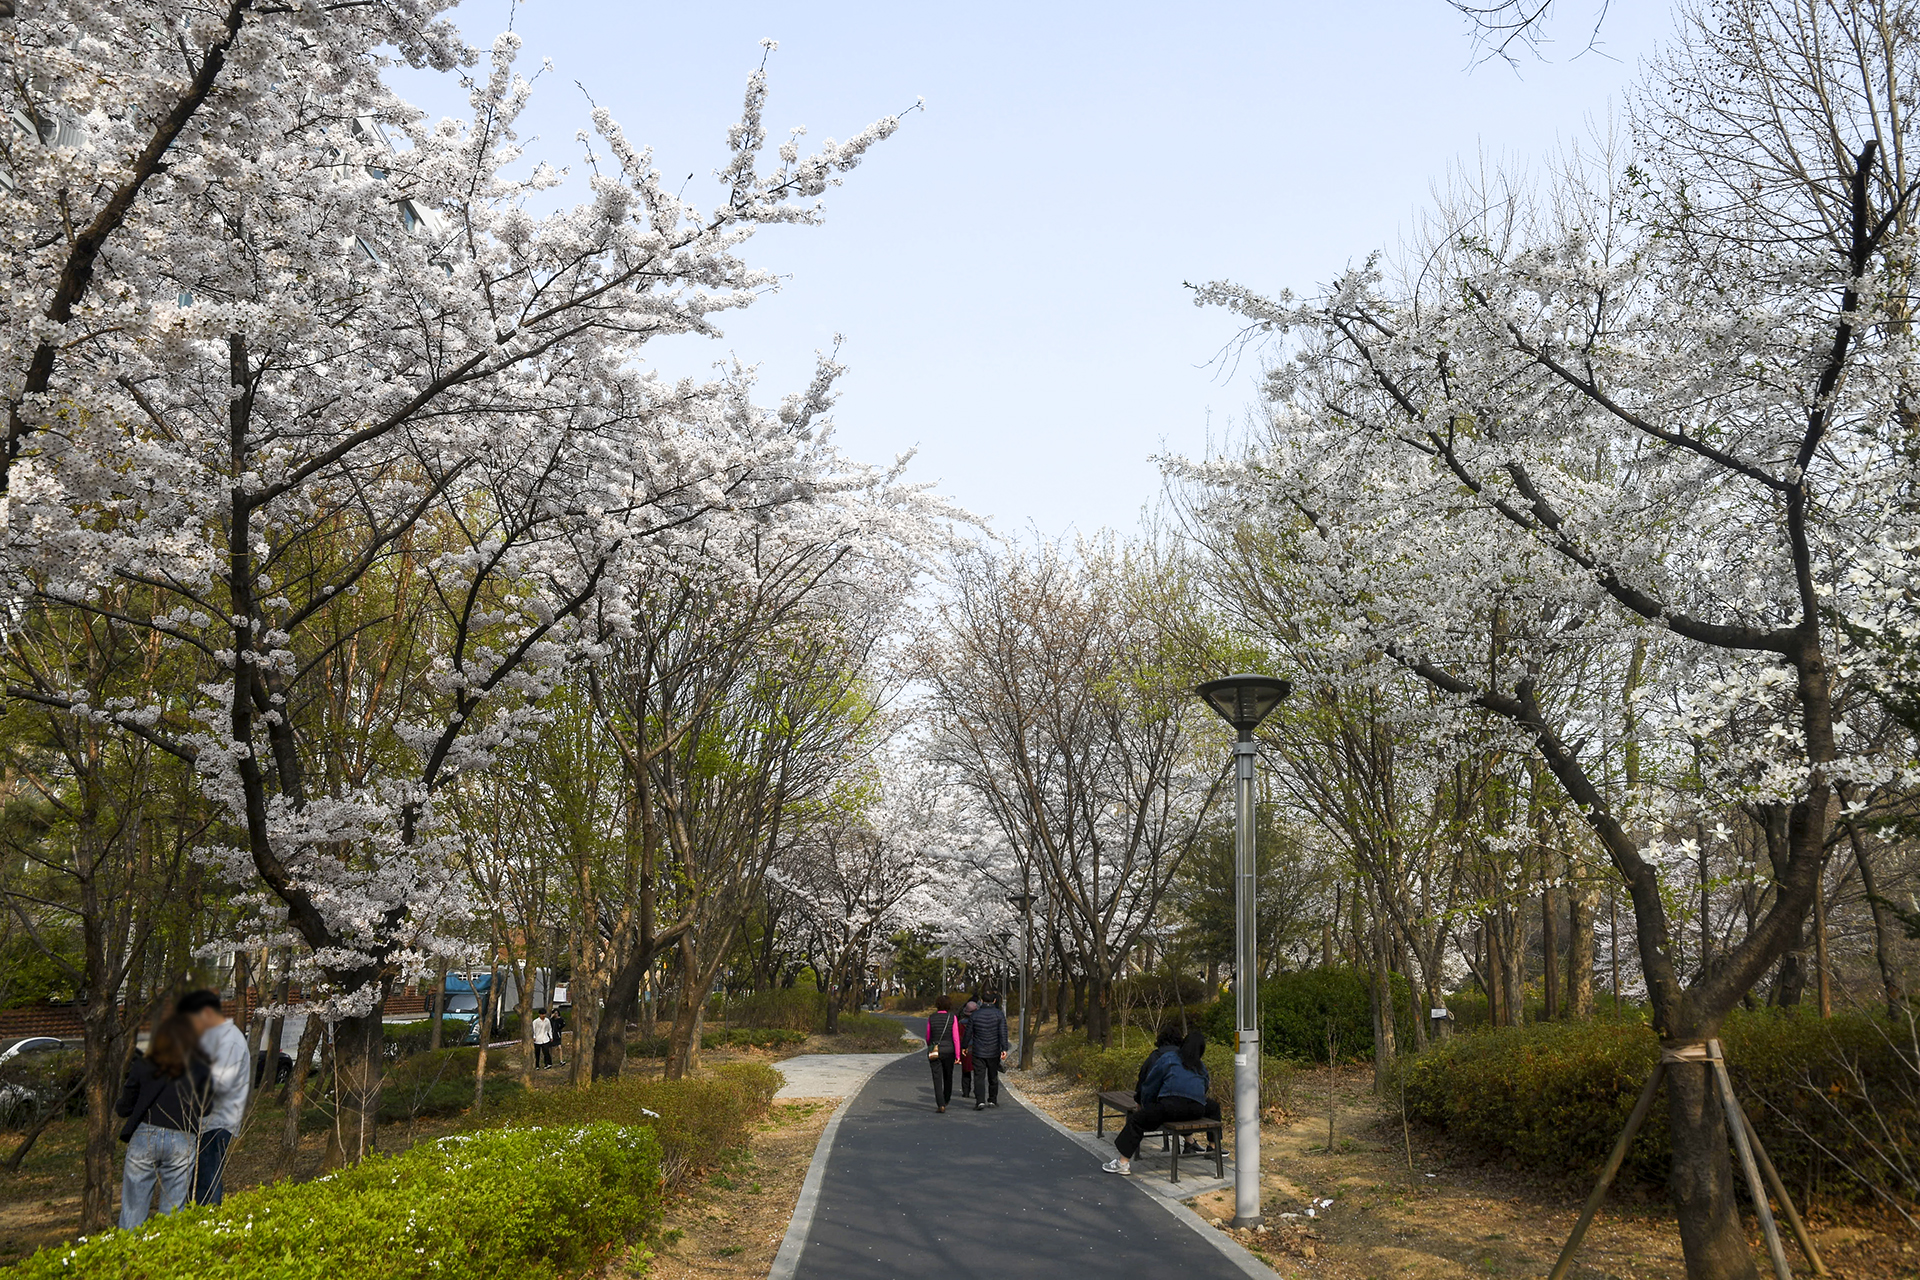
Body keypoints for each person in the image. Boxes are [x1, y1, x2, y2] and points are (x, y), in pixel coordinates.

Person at [117, 1013, 210, 1229]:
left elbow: (124, 1107)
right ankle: (167, 1248)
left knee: (133, 1206)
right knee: (173, 1208)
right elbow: (206, 1107)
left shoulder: (144, 1064)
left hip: (145, 1134)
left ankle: (128, 1248)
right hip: (182, 1136)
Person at [1104, 1030, 1217, 1175]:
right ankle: (1213, 1147)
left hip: (1170, 1107)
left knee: (1136, 1120)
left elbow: (1151, 1084)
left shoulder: (1169, 1058)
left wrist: (1145, 1105)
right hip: (1197, 1109)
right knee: (1214, 1106)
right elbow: (1205, 1087)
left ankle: (1122, 1163)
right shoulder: (1200, 1066)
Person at [177, 989, 249, 1206]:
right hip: (204, 1121)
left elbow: (220, 1084)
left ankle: (208, 1221)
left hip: (216, 1122)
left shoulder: (229, 1040)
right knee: (197, 1182)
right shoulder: (216, 1038)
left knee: (207, 1183)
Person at [965, 990, 1009, 1110]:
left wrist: (964, 1046)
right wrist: (1004, 1048)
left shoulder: (975, 1015)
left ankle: (980, 1101)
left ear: (981, 1001)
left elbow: (968, 1032)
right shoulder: (999, 1014)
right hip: (994, 1050)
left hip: (978, 1050)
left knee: (979, 1077)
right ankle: (992, 1100)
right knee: (993, 1076)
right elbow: (1003, 1032)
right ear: (994, 1000)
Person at [924, 996, 963, 1112]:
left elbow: (928, 1036)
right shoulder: (952, 1017)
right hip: (949, 1051)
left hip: (935, 1050)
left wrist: (930, 1046)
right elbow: (955, 1037)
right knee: (948, 1075)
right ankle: (946, 1099)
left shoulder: (931, 1018)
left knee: (937, 1077)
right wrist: (958, 1055)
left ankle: (940, 1104)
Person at [957, 998, 978, 1099]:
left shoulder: (961, 1023)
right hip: (977, 1049)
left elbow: (959, 1037)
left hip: (965, 1050)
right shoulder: (978, 1022)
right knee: (978, 1072)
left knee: (966, 1071)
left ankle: (966, 1091)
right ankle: (978, 1091)